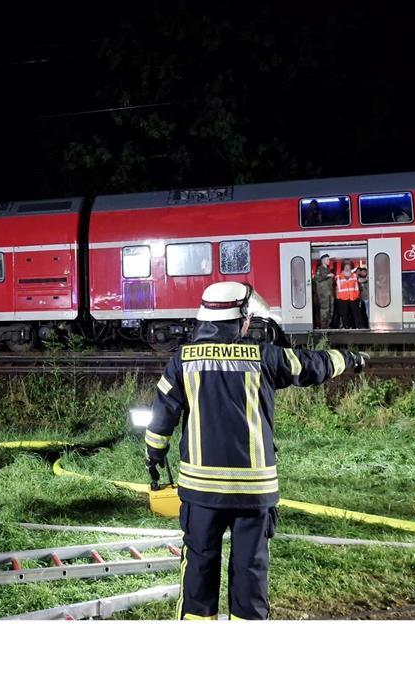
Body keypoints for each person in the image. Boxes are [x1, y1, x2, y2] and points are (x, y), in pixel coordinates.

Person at [144, 281, 367, 619]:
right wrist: (349, 359)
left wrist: (154, 458)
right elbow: (312, 365)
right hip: (254, 492)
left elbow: (161, 417)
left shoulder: (182, 361)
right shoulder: (265, 356)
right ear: (243, 320)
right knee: (250, 570)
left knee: (199, 568)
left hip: (202, 491)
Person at [333, 260, 363, 329]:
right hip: (342, 298)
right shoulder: (338, 277)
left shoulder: (355, 276)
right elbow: (334, 287)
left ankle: (359, 326)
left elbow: (360, 280)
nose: (347, 268)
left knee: (356, 313)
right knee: (344, 314)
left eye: (349, 267)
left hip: (354, 297)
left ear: (351, 268)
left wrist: (367, 278)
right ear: (343, 268)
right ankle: (346, 326)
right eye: (346, 267)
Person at [313, 254, 335, 329]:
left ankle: (327, 326)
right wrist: (328, 276)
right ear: (323, 260)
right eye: (327, 259)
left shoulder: (328, 269)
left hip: (330, 293)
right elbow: (317, 279)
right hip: (323, 294)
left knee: (331, 310)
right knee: (324, 310)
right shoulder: (320, 269)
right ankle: (323, 327)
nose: (329, 261)